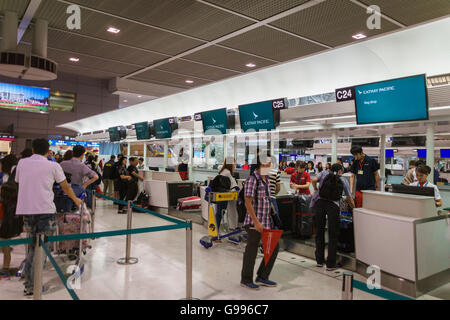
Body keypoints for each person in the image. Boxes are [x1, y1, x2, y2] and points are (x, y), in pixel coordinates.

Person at [15, 139, 82, 296]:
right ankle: (32, 285)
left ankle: (29, 278)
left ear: (32, 149)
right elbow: (65, 186)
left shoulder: (22, 163)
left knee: (31, 246)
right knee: (41, 249)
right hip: (45, 210)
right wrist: (76, 199)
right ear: (48, 150)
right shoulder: (53, 165)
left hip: (27, 210)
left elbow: (19, 181)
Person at [241, 156, 278, 290]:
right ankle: (246, 279)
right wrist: (256, 222)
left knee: (274, 248)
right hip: (254, 222)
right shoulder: (252, 179)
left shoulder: (266, 179)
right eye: (268, 163)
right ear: (261, 164)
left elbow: (267, 200)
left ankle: (262, 276)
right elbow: (248, 202)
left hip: (266, 221)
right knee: (252, 250)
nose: (270, 165)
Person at [311, 164, 355, 271]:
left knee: (319, 232)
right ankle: (330, 264)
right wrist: (355, 209)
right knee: (333, 234)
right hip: (333, 206)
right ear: (340, 171)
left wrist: (316, 189)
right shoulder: (343, 180)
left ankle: (319, 261)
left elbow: (313, 179)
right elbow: (349, 198)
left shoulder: (324, 173)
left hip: (320, 203)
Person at [215, 160, 238, 234]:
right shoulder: (226, 172)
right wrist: (236, 188)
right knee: (220, 213)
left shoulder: (225, 171)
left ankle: (232, 227)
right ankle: (216, 233)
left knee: (221, 213)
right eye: (234, 162)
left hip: (225, 195)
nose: (235, 164)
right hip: (224, 195)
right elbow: (230, 184)